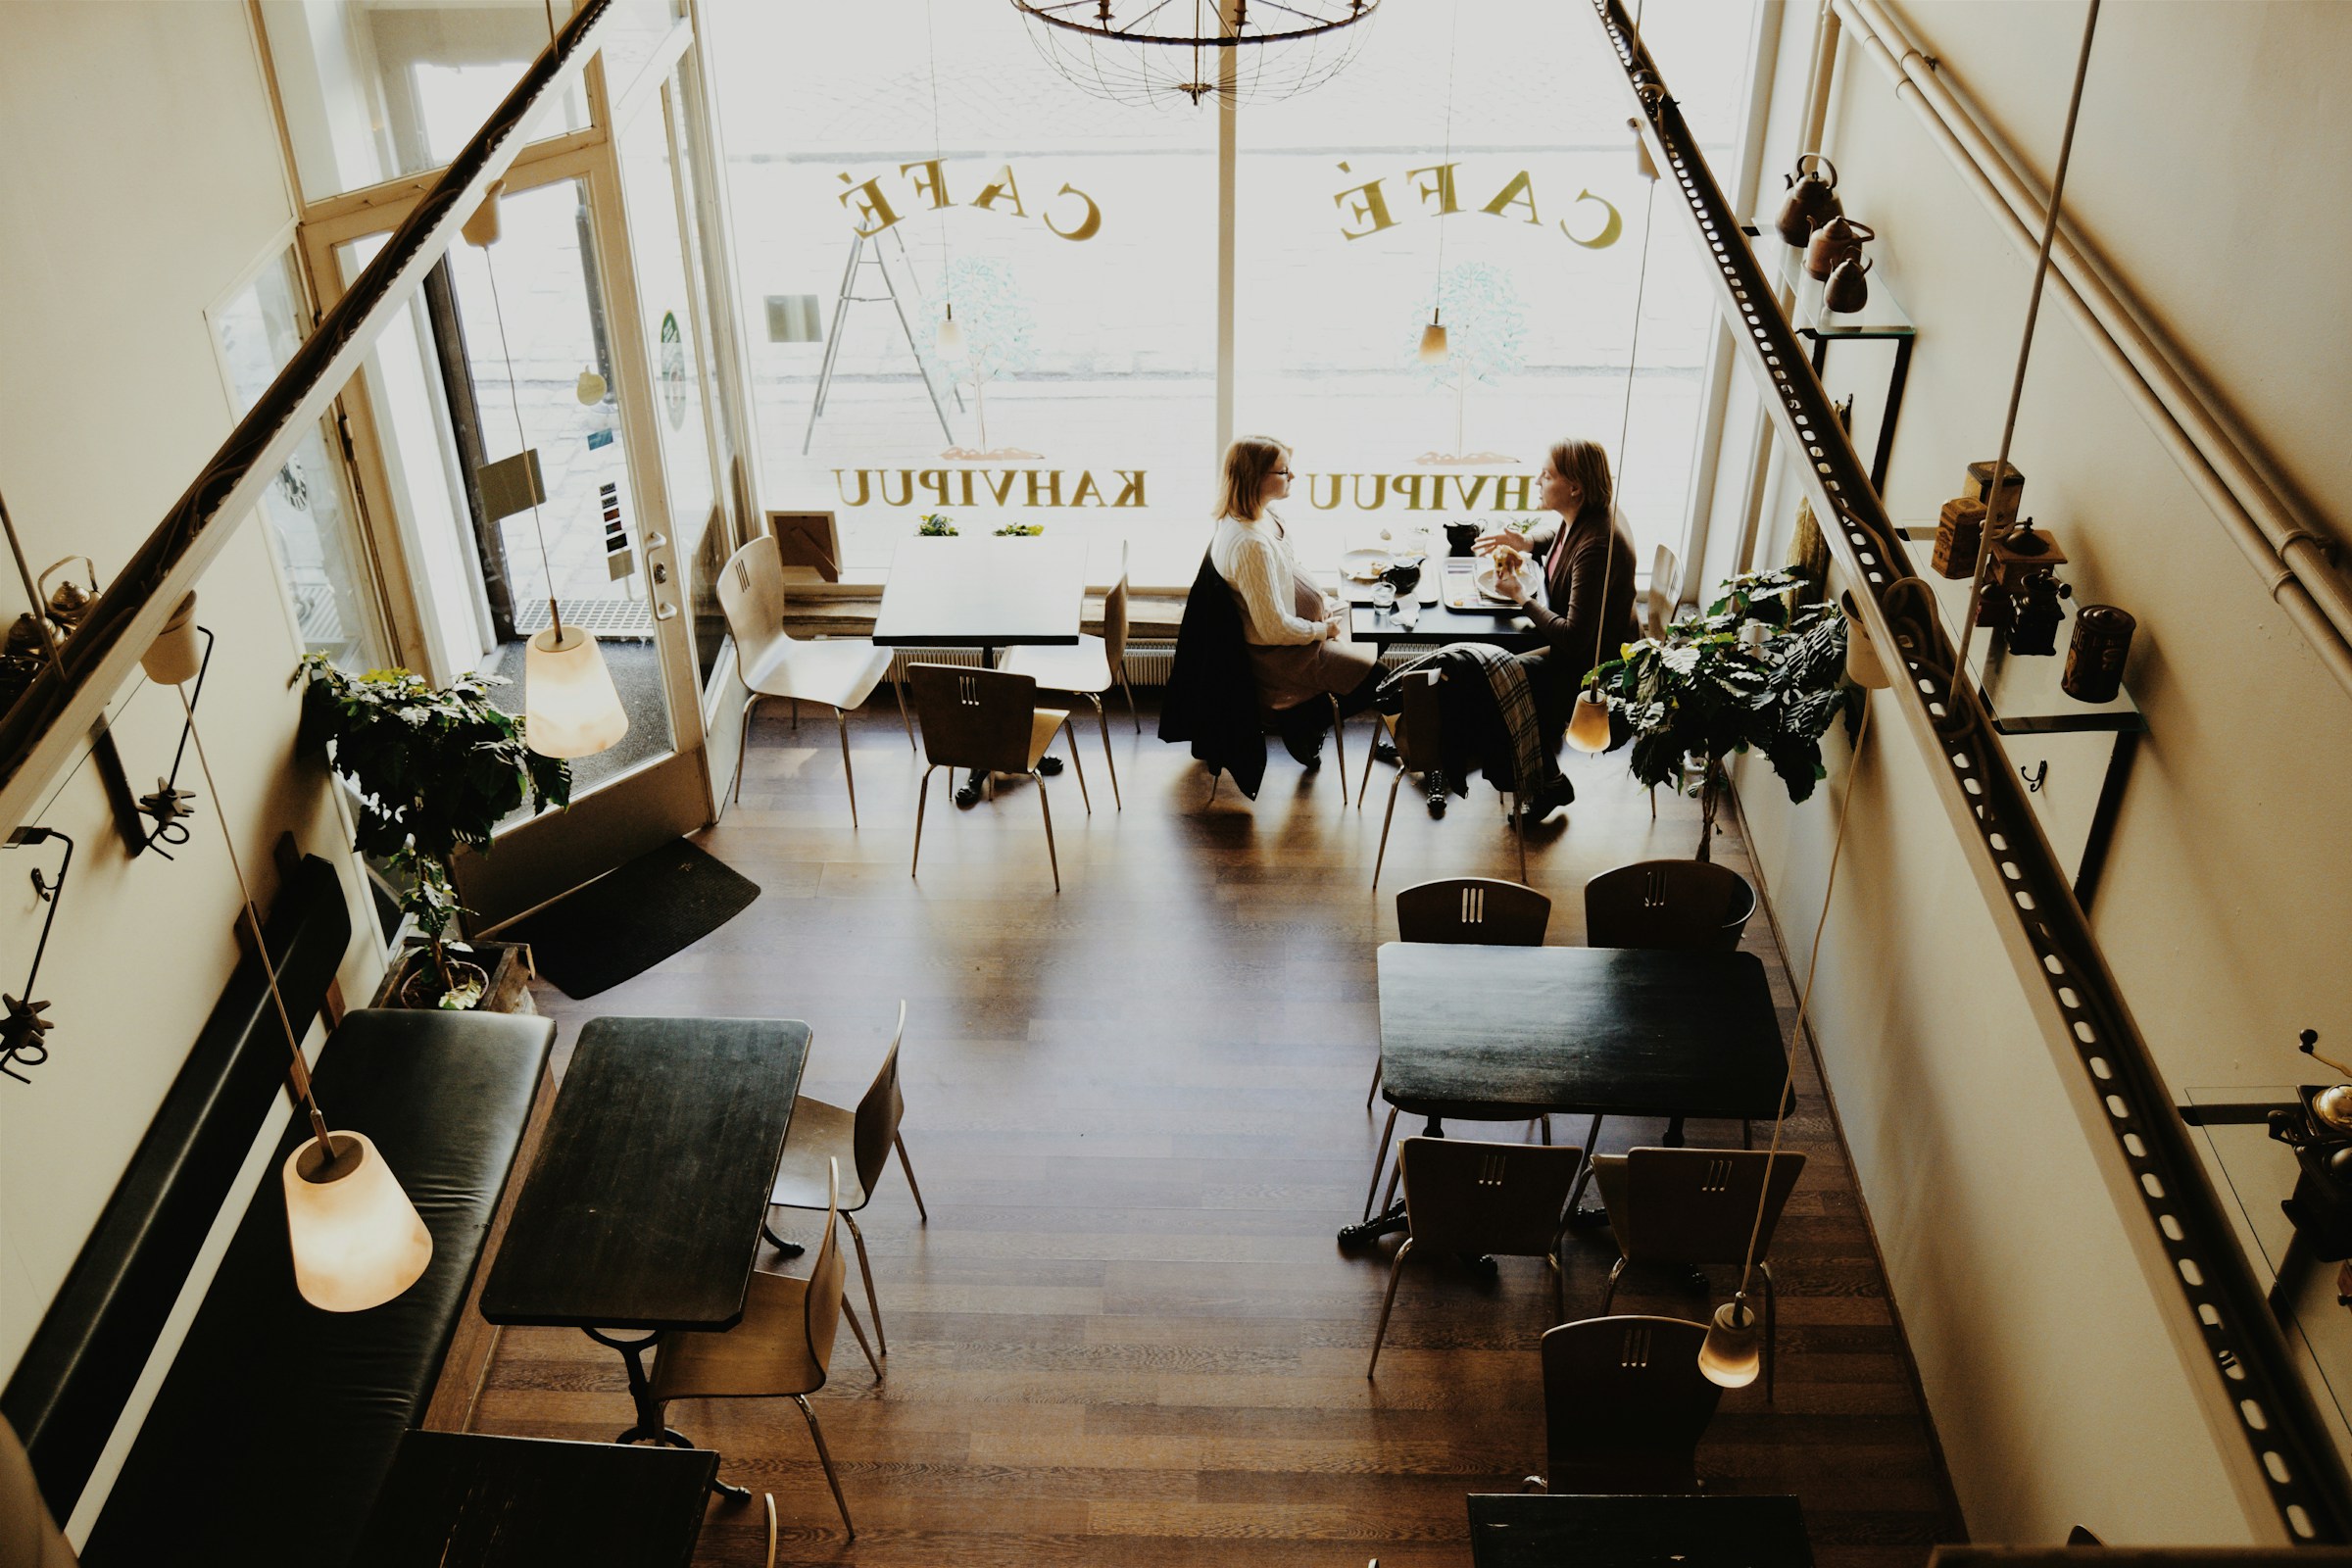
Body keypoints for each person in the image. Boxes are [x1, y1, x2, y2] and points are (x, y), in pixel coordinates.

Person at [1476, 436, 1640, 818]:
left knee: (1493, 684)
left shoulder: (1598, 545)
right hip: (1578, 650)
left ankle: (1546, 780)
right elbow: (1561, 536)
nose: (1537, 480)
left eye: (1546, 475)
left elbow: (1574, 637)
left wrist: (1521, 596)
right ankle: (1531, 762)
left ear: (1574, 487)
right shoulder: (1588, 515)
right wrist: (1528, 541)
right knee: (1491, 665)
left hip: (1591, 668)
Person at [1209, 436, 1382, 765]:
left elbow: (1286, 572)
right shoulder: (1249, 544)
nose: (1293, 477)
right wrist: (1321, 631)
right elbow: (1271, 628)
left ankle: (1310, 711)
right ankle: (1299, 721)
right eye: (1283, 471)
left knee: (1374, 623)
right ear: (1255, 477)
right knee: (1380, 681)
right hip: (1286, 653)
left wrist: (1321, 600)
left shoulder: (1264, 514)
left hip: (1309, 628)